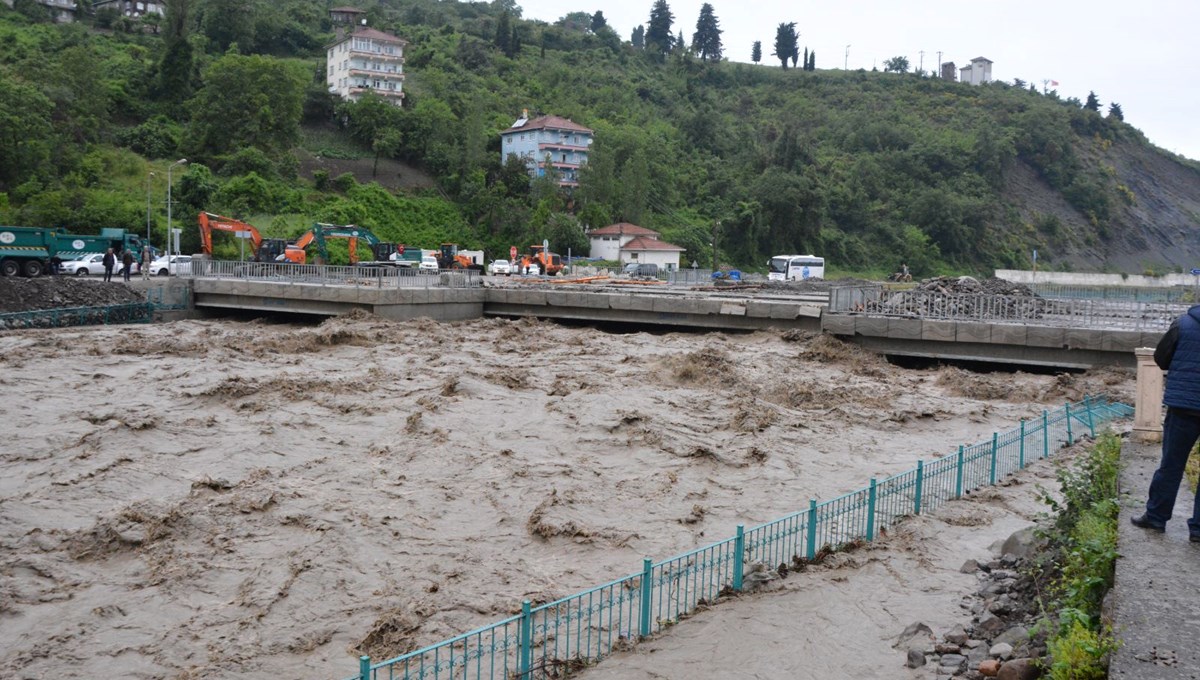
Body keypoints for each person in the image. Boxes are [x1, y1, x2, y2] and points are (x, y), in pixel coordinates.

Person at [1131, 305, 1200, 543]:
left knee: (1171, 464)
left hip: (1183, 408)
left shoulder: (1182, 324)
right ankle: (1199, 530)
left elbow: (1161, 358)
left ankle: (1156, 517)